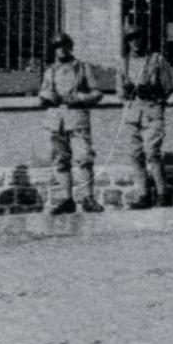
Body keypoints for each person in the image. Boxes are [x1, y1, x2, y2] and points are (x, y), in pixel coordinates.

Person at [40, 32, 104, 214]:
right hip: (55, 121)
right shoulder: (50, 71)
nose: (61, 50)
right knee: (60, 160)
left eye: (65, 45)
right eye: (57, 47)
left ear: (70, 46)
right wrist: (45, 97)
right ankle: (66, 198)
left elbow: (97, 93)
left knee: (84, 158)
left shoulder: (82, 68)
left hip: (77, 119)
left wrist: (79, 98)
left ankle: (88, 197)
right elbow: (42, 93)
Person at [118, 29, 170, 209]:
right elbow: (120, 92)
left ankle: (162, 193)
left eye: (138, 38)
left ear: (144, 39)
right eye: (131, 39)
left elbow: (167, 87)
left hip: (152, 111)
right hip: (133, 113)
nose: (135, 43)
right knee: (135, 154)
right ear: (127, 42)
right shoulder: (123, 63)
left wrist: (152, 93)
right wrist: (128, 95)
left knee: (152, 151)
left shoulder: (156, 60)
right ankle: (143, 194)